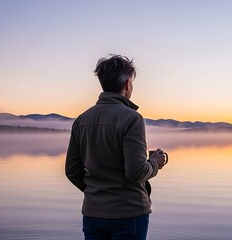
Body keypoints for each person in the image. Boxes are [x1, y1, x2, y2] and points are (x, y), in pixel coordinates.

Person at [65, 54, 167, 240]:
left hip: (93, 213)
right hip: (128, 214)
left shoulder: (81, 120)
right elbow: (135, 172)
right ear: (128, 84)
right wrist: (154, 163)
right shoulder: (132, 118)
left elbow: (72, 171)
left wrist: (96, 193)